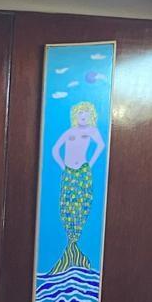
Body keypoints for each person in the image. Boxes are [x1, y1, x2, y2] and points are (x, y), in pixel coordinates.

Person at [49, 101, 105, 274]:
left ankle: (76, 253)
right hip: (69, 174)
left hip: (82, 173)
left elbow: (101, 146)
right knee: (67, 206)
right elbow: (55, 149)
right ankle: (69, 252)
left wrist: (90, 164)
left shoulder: (92, 131)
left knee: (81, 207)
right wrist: (63, 166)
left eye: (86, 114)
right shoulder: (70, 132)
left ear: (91, 116)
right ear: (75, 116)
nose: (83, 117)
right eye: (80, 114)